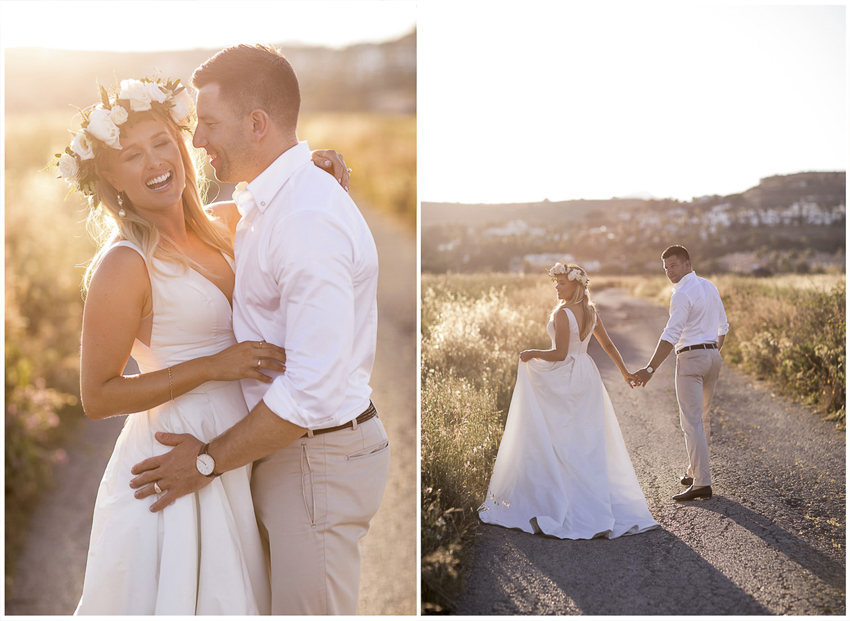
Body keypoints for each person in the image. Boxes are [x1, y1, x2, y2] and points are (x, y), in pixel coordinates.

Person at [53, 76, 347, 614]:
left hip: (244, 444)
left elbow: (285, 195)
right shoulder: (124, 264)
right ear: (110, 179)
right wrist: (213, 366)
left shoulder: (229, 222)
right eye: (130, 156)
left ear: (182, 144)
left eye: (162, 142)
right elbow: (97, 396)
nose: (154, 162)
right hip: (174, 455)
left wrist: (313, 169)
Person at [128, 44, 390, 616]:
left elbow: (313, 390)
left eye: (209, 123)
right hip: (289, 455)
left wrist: (204, 462)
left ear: (256, 124)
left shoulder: (304, 220)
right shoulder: (267, 203)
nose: (197, 140)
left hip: (315, 460)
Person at [478, 262, 659, 539]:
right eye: (556, 282)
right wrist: (624, 373)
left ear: (575, 285)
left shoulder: (563, 314)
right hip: (587, 374)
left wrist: (531, 352)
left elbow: (560, 354)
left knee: (558, 435)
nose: (557, 287)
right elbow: (608, 345)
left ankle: (562, 498)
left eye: (562, 283)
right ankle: (585, 496)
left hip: (566, 376)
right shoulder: (590, 312)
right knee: (584, 438)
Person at [633, 245, 729, 501]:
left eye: (673, 265)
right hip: (712, 356)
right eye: (666, 268)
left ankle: (701, 483)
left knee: (692, 422)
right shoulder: (709, 286)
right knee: (703, 419)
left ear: (687, 264)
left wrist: (650, 368)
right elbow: (723, 325)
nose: (669, 272)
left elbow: (671, 334)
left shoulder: (682, 294)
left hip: (691, 359)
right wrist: (712, 351)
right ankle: (694, 471)